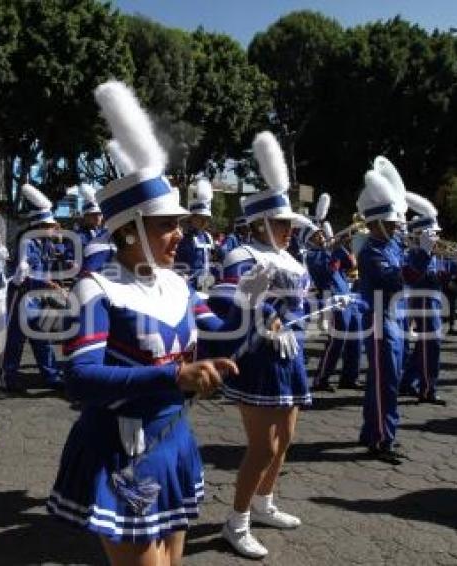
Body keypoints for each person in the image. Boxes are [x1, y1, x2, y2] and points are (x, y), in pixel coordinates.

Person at [48, 80, 239, 566]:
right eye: (166, 226)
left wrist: (258, 308)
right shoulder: (96, 288)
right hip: (120, 449)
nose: (180, 235)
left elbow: (218, 327)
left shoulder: (175, 284)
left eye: (178, 224)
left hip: (172, 437)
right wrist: (174, 376)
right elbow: (79, 379)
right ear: (130, 233)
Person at [220, 132, 325, 559]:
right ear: (261, 222)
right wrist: (263, 315)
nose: (288, 230)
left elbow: (304, 297)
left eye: (289, 224)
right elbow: (232, 302)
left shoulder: (292, 258)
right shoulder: (241, 253)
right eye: (282, 224)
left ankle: (264, 503)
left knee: (285, 441)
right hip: (259, 357)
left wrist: (317, 308)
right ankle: (237, 520)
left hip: (291, 353)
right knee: (262, 446)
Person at [356, 157, 410, 465]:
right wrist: (418, 258)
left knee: (389, 378)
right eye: (390, 224)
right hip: (378, 318)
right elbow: (396, 279)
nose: (395, 227)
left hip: (394, 317)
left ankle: (374, 430)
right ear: (375, 224)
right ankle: (380, 439)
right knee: (384, 380)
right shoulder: (371, 252)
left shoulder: (392, 245)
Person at [0, 183, 65, 391]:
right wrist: (47, 283)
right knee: (16, 340)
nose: (53, 228)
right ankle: (8, 377)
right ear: (39, 226)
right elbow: (23, 273)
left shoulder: (45, 243)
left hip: (36, 296)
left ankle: (51, 375)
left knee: (41, 337)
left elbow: (56, 259)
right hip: (20, 296)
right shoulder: (27, 243)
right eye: (50, 226)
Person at [304, 193, 362, 391]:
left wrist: (345, 244)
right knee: (337, 339)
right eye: (317, 235)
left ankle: (349, 377)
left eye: (321, 234)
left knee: (356, 337)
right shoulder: (311, 255)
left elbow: (351, 264)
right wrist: (334, 248)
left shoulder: (329, 249)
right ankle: (321, 378)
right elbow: (326, 271)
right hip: (333, 298)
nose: (321, 237)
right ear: (308, 238)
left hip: (348, 295)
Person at [401, 193, 447, 405]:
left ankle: (407, 382)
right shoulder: (415, 254)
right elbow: (415, 275)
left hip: (435, 300)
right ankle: (428, 389)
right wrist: (426, 252)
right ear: (420, 235)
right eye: (432, 234)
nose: (437, 238)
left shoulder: (434, 253)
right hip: (423, 301)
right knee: (432, 345)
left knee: (423, 347)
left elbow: (443, 275)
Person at [174, 179, 215, 291]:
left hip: (206, 285)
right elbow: (178, 264)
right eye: (200, 218)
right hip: (190, 286)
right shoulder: (184, 239)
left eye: (206, 219)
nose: (204, 222)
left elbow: (211, 261)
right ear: (191, 218)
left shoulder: (208, 237)